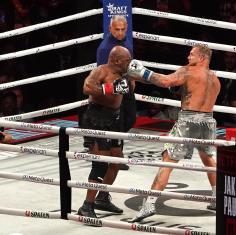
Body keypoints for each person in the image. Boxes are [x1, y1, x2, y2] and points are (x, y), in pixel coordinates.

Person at [127, 44, 221, 222]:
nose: (188, 57)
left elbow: (164, 81)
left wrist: (142, 72)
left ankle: (149, 204)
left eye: (192, 54)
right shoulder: (215, 80)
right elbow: (195, 95)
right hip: (208, 121)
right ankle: (217, 199)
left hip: (188, 121)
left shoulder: (187, 71)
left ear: (202, 58)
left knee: (168, 159)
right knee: (207, 157)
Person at [81, 15, 136, 214]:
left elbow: (135, 83)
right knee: (100, 164)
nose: (130, 63)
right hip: (97, 118)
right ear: (116, 60)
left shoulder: (125, 73)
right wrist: (107, 89)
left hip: (114, 118)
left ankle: (102, 197)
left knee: (116, 161)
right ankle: (86, 205)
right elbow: (87, 87)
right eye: (127, 61)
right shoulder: (102, 71)